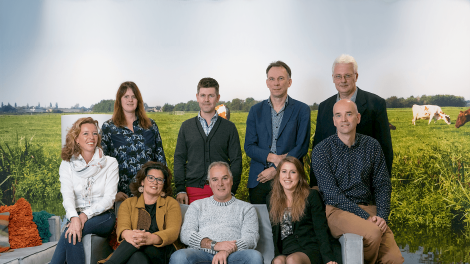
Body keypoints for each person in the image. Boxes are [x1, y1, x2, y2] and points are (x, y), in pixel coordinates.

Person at [311, 99, 404, 264]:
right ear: (334, 120)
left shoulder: (372, 146)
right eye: (339, 115)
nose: (344, 119)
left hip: (370, 208)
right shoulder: (322, 150)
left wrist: (382, 216)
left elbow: (383, 185)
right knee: (374, 233)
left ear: (358, 118)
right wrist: (366, 217)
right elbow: (331, 194)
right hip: (337, 211)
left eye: (349, 114)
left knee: (394, 259)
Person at [310, 54, 393, 187]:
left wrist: (381, 187)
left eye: (347, 75)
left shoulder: (376, 104)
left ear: (356, 76)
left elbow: (385, 149)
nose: (343, 80)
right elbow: (317, 149)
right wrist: (314, 185)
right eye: (338, 76)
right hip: (330, 186)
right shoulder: (324, 107)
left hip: (365, 187)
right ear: (333, 78)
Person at [51, 117, 119, 264]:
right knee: (73, 231)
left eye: (95, 134)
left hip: (104, 217)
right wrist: (75, 218)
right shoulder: (67, 164)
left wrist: (83, 216)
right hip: (76, 215)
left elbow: (109, 199)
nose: (91, 138)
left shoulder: (110, 163)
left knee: (72, 230)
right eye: (86, 134)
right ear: (76, 138)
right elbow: (67, 196)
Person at [169, 161, 263, 264]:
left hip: (234, 256)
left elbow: (251, 238)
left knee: (254, 257)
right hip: (201, 255)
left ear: (231, 181)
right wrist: (214, 245)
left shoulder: (247, 208)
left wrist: (226, 250)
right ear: (210, 183)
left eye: (225, 178)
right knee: (179, 257)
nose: (220, 183)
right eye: (215, 179)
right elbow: (186, 234)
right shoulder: (197, 205)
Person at [245, 61, 311, 204]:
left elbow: (302, 146)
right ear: (267, 82)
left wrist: (277, 168)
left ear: (289, 82)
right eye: (272, 79)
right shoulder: (255, 111)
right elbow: (249, 146)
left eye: (281, 78)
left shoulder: (302, 110)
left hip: (290, 179)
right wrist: (273, 158)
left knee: (289, 224)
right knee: (261, 224)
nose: (276, 83)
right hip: (259, 178)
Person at [174, 78, 242, 205]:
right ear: (197, 97)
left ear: (217, 98)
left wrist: (231, 191)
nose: (206, 100)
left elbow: (236, 161)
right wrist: (180, 189)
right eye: (203, 95)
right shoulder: (186, 127)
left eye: (211, 95)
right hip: (192, 192)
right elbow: (179, 159)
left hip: (222, 191)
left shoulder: (229, 128)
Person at [105, 161, 182, 264]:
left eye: (160, 180)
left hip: (161, 251)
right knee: (137, 257)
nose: (155, 182)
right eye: (151, 178)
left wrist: (150, 238)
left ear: (163, 185)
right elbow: (123, 229)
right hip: (136, 249)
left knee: (138, 237)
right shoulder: (128, 204)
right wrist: (130, 234)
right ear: (142, 181)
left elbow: (173, 232)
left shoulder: (171, 203)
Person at [267, 156, 341, 264]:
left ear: (300, 176)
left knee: (292, 260)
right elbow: (275, 232)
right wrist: (277, 254)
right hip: (286, 249)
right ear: (278, 175)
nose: (287, 176)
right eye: (284, 171)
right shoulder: (271, 199)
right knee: (278, 261)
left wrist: (328, 259)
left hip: (309, 248)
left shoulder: (311, 196)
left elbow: (321, 229)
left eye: (293, 172)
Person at [101, 81, 166, 202]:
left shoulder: (151, 126)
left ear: (138, 100)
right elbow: (103, 164)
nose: (130, 100)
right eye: (126, 96)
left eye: (133, 96)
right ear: (119, 100)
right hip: (123, 195)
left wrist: (162, 189)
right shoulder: (109, 127)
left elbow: (160, 159)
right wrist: (113, 193)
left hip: (151, 193)